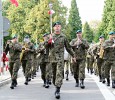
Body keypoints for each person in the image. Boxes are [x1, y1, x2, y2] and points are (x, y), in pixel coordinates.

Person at [46, 21, 76, 99]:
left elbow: (68, 47)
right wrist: (48, 41)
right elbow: (45, 47)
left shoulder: (63, 37)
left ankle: (57, 90)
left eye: (59, 26)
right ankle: (56, 85)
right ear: (53, 28)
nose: (57, 27)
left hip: (60, 58)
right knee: (54, 74)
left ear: (60, 27)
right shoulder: (50, 36)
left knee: (59, 73)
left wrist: (73, 55)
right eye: (56, 26)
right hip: (52, 58)